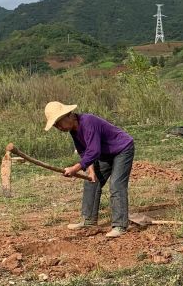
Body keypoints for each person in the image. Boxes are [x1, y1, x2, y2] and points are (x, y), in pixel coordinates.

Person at [44, 101, 135, 238]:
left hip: (122, 149)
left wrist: (75, 168)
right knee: (91, 181)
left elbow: (93, 151)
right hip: (105, 154)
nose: (58, 127)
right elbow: (84, 151)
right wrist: (91, 171)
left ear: (69, 116)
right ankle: (89, 220)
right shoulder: (73, 130)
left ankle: (120, 225)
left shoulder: (88, 122)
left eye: (58, 122)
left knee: (116, 185)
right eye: (55, 125)